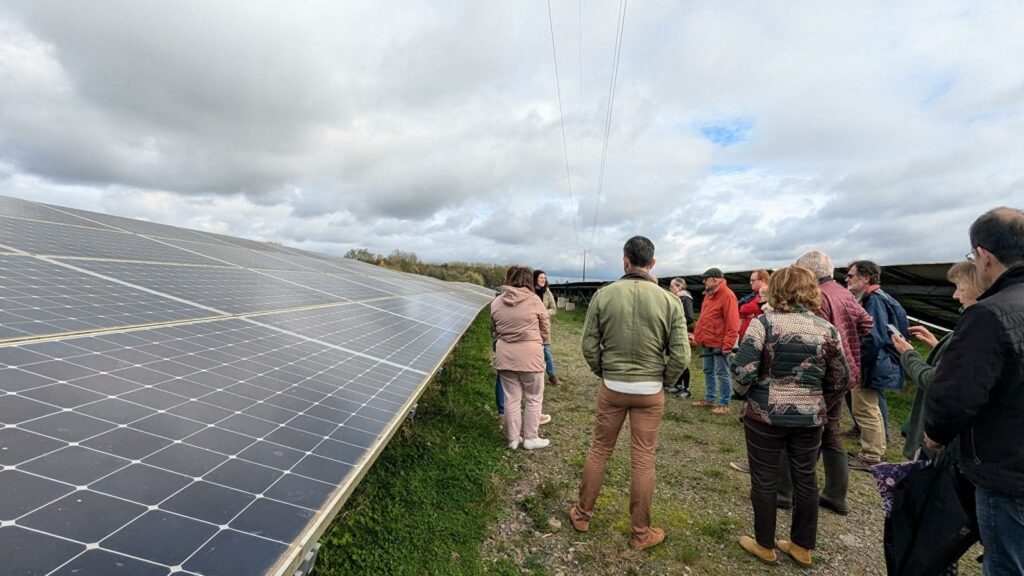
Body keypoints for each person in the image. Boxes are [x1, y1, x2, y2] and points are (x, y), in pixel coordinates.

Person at [570, 236, 689, 550]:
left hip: (613, 386)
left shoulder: (603, 295)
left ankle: (582, 515)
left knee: (599, 451)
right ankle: (640, 533)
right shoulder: (670, 301)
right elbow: (681, 355)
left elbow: (588, 345)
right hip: (650, 390)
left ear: (625, 261)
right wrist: (663, 380)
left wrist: (603, 371)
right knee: (643, 460)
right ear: (652, 264)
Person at [925, 207, 1024, 575]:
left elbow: (956, 394)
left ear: (983, 256)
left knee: (1006, 564)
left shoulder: (990, 312)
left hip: (1007, 467)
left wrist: (934, 436)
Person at [731, 266, 850, 568]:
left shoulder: (763, 324)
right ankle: (801, 546)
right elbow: (839, 379)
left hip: (764, 415)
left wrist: (743, 392)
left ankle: (764, 544)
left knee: (764, 478)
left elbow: (743, 372)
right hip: (810, 418)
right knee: (806, 479)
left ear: (776, 290)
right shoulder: (827, 329)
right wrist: (817, 400)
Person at [889, 261, 984, 576]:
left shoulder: (980, 326)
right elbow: (953, 367)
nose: (955, 296)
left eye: (960, 287)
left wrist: (908, 353)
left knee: (935, 519)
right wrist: (935, 344)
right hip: (957, 445)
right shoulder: (974, 327)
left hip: (944, 444)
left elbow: (937, 383)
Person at [845, 260, 908, 471]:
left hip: (873, 362)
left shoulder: (874, 301)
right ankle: (874, 450)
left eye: (851, 275)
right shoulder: (881, 298)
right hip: (879, 361)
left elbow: (874, 336)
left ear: (866, 278)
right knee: (870, 407)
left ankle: (871, 455)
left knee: (865, 408)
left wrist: (856, 360)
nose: (847, 279)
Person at [491, 266, 551, 450]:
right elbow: (545, 329)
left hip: (505, 356)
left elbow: (494, 329)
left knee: (511, 398)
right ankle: (531, 438)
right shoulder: (534, 301)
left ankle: (512, 438)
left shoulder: (496, 302)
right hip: (531, 357)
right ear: (528, 281)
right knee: (533, 397)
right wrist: (536, 341)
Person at [691, 267, 740, 414]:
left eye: (705, 279)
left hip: (719, 343)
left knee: (722, 372)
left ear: (714, 279)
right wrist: (697, 337)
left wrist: (727, 345)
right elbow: (703, 319)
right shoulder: (708, 295)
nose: (704, 282)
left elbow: (732, 323)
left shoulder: (728, 296)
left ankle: (725, 404)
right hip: (708, 341)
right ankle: (709, 399)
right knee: (708, 370)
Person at [667, 278, 695, 399]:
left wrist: (676, 321)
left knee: (681, 359)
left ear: (679, 286)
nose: (670, 288)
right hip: (675, 331)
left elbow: (689, 317)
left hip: (681, 332)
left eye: (672, 286)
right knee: (676, 358)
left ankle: (686, 388)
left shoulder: (685, 298)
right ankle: (678, 385)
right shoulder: (677, 298)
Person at [533, 270, 561, 387]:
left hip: (544, 326)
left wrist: (543, 313)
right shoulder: (530, 292)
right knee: (533, 352)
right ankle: (532, 376)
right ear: (535, 279)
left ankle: (552, 375)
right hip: (532, 326)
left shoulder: (548, 293)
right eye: (541, 278)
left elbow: (554, 309)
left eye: (544, 278)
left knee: (547, 352)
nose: (543, 280)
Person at [738, 269, 770, 339]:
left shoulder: (768, 294)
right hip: (749, 335)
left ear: (763, 280)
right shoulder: (754, 295)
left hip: (756, 337)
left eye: (753, 280)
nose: (750, 283)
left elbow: (745, 309)